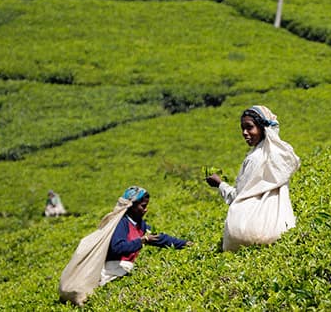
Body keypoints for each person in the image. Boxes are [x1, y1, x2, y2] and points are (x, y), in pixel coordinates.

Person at [206, 105, 300, 252]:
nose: (245, 133)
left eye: (249, 127)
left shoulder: (254, 158)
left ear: (262, 127)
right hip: (279, 229)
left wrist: (220, 184)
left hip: (245, 233)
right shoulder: (279, 153)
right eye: (242, 128)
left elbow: (238, 196)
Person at [99, 186, 192, 286]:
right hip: (111, 273)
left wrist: (185, 244)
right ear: (132, 206)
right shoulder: (121, 223)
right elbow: (117, 247)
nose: (146, 210)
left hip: (125, 271)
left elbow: (160, 239)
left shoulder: (140, 225)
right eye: (143, 206)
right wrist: (142, 240)